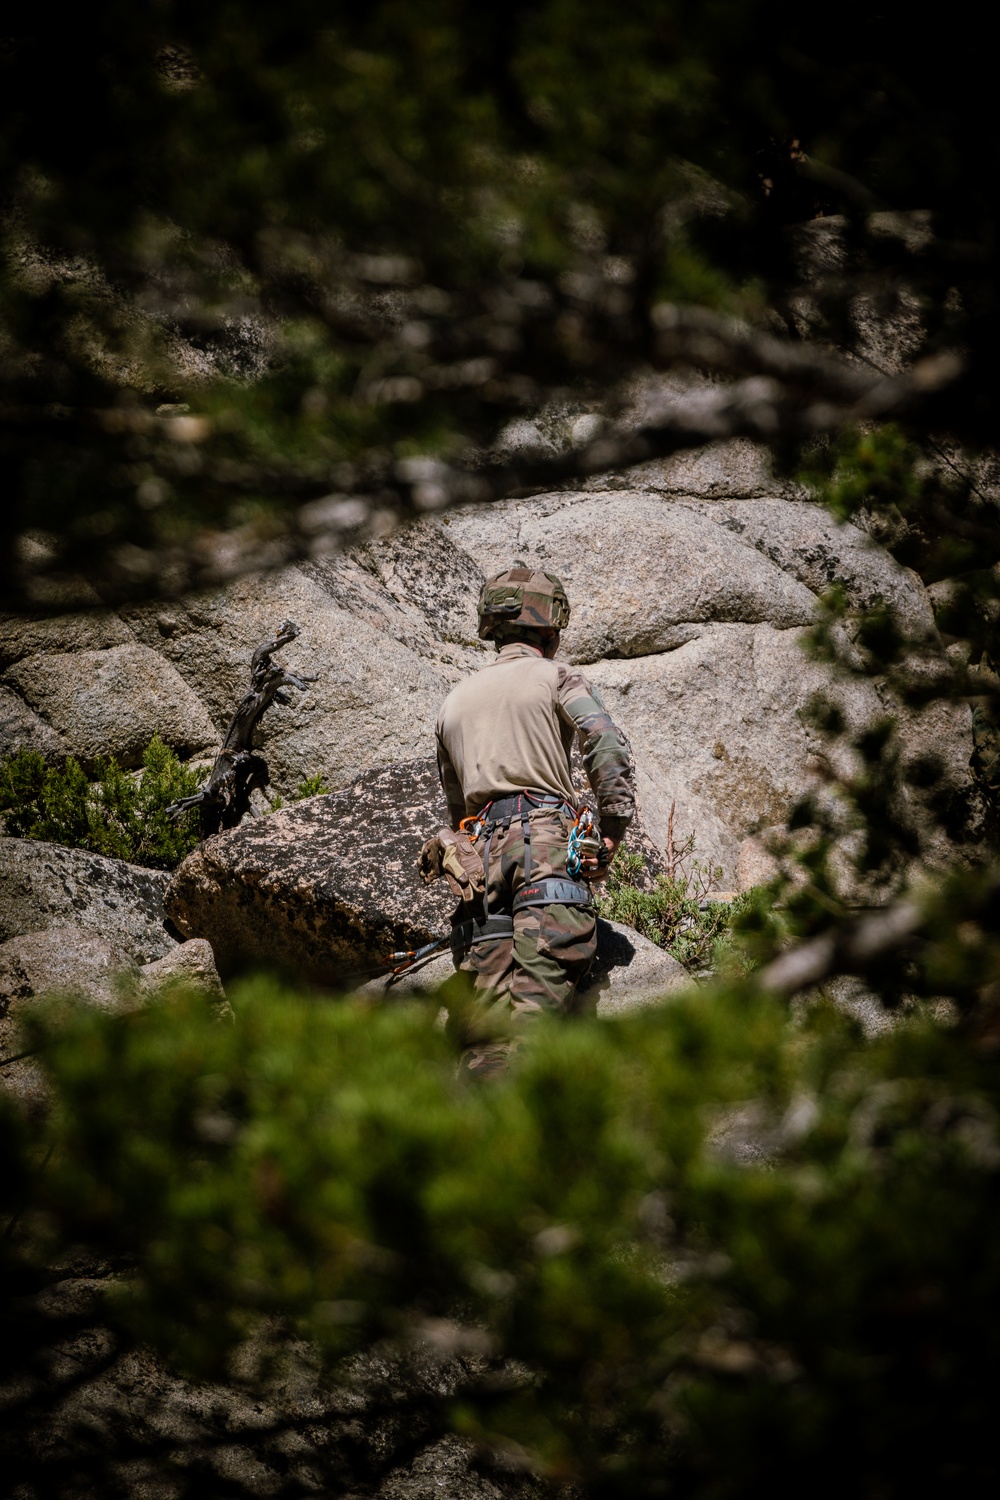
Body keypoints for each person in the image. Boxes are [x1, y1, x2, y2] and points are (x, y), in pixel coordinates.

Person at [424, 565, 635, 1076]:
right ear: (550, 625)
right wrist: (611, 830)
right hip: (543, 846)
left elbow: (461, 813)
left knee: (487, 1033)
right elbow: (604, 741)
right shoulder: (557, 677)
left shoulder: (453, 702)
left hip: (480, 866)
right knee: (537, 1016)